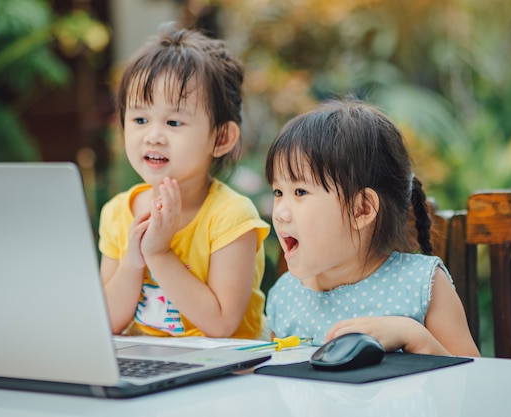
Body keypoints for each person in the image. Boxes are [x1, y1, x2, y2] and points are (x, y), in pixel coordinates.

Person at [265, 97, 480, 356]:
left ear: (362, 209)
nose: (280, 212)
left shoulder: (421, 285)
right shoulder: (284, 295)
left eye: (300, 191)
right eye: (278, 192)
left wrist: (412, 335)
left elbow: (469, 382)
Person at [99, 23, 269, 339]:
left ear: (221, 138)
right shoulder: (118, 213)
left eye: (174, 121)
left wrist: (160, 254)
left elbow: (221, 324)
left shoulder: (231, 216)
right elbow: (106, 322)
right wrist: (134, 261)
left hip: (228, 377)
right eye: (139, 119)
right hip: (150, 371)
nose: (153, 136)